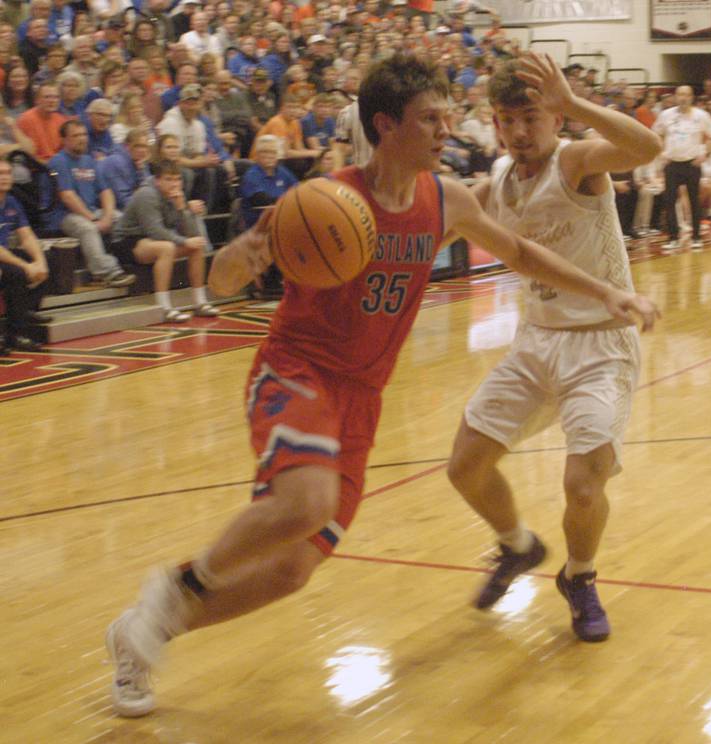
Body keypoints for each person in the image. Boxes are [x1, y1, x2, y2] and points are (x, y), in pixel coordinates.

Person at [105, 54, 659, 718]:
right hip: (298, 370)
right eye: (432, 118)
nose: (447, 129)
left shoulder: (445, 198)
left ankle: (148, 634)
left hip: (363, 397)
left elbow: (520, 255)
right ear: (384, 126)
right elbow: (222, 284)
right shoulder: (324, 200)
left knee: (292, 568)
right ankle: (175, 586)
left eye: (450, 115)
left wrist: (606, 291)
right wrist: (241, 257)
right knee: (308, 502)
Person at [447, 55, 661, 643]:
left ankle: (580, 577)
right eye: (508, 119)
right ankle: (518, 547)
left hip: (601, 345)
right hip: (536, 342)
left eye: (532, 117)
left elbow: (647, 147)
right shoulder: (497, 180)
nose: (520, 131)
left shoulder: (575, 160)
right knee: (464, 466)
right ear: (494, 122)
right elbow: (438, 221)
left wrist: (575, 104)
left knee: (583, 484)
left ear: (553, 118)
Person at [110, 160, 218, 321]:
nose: (174, 184)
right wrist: (183, 241)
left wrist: (182, 209)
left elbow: (192, 234)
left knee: (196, 246)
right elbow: (155, 231)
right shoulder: (147, 194)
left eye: (177, 179)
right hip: (127, 241)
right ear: (157, 180)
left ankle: (200, 302)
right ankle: (164, 308)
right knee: (166, 247)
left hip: (150, 240)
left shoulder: (176, 196)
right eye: (169, 179)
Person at [48, 120, 135, 288]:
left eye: (84, 134)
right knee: (87, 228)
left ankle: (129, 262)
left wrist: (108, 216)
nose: (82, 139)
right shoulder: (58, 161)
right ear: (64, 140)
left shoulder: (89, 161)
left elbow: (106, 192)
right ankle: (107, 273)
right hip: (63, 215)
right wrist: (93, 220)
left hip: (90, 211)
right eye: (76, 135)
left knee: (123, 219)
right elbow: (67, 196)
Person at [652, 85, 711, 251]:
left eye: (686, 95)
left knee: (694, 201)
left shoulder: (701, 115)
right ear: (676, 97)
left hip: (692, 163)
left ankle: (696, 237)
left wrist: (704, 153)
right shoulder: (666, 115)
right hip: (672, 163)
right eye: (680, 94)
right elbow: (655, 134)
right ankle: (673, 237)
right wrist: (661, 153)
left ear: (691, 97)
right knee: (669, 201)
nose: (683, 98)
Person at [0, 158, 50, 354]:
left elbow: (27, 235)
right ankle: (15, 332)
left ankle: (25, 312)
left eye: (7, 173)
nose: (4, 178)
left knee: (51, 260)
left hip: (5, 255)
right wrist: (25, 265)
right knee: (16, 272)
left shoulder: (11, 201)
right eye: (0, 174)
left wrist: (40, 261)